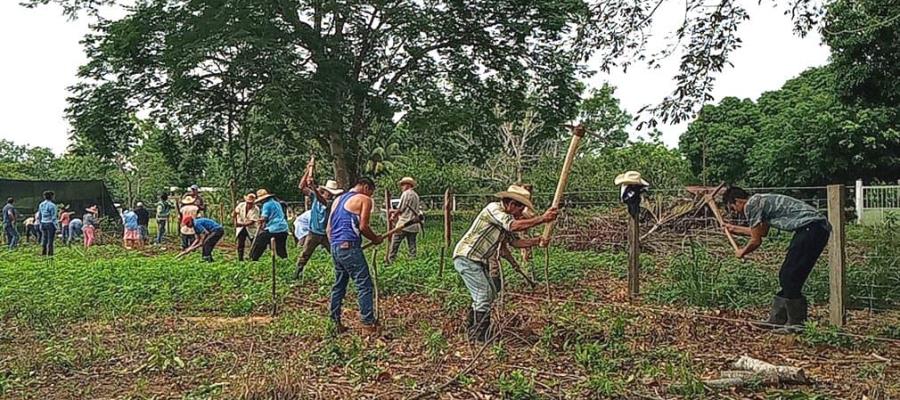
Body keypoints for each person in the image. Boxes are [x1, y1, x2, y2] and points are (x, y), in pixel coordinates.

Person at [453, 185, 558, 342]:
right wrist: (543, 219)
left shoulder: (506, 219)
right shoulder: (494, 209)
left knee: (490, 293)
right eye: (521, 208)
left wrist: (537, 241)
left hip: (477, 260)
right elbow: (512, 226)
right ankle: (479, 336)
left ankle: (472, 328)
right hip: (467, 257)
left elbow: (515, 243)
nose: (521, 213)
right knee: (483, 294)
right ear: (511, 204)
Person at [723, 187, 831, 331]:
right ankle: (778, 320)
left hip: (811, 229)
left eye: (733, 208)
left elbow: (756, 240)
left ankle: (796, 324)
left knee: (789, 275)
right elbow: (762, 232)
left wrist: (742, 252)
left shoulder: (751, 205)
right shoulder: (760, 201)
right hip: (814, 229)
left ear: (737, 201)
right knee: (790, 275)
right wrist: (734, 229)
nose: (736, 212)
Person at [326, 177, 384, 334]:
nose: (371, 196)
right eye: (371, 192)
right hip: (350, 246)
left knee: (339, 285)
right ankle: (368, 324)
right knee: (364, 285)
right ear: (366, 187)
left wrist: (337, 244)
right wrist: (375, 238)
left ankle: (334, 322)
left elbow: (329, 229)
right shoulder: (364, 199)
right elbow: (363, 226)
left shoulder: (337, 200)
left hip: (336, 247)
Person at [293, 177, 344, 280]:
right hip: (313, 232)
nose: (329, 195)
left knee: (335, 254)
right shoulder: (315, 197)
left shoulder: (331, 203)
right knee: (305, 254)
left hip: (326, 234)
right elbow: (302, 187)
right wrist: (308, 170)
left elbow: (322, 201)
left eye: (331, 194)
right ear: (324, 191)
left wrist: (313, 187)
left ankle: (342, 274)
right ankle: (296, 274)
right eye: (327, 192)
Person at [387, 177, 421, 264]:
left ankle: (390, 260)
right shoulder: (416, 195)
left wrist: (393, 213)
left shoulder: (406, 194)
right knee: (412, 245)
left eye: (403, 184)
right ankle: (413, 261)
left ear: (408, 185)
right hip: (414, 225)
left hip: (404, 223)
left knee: (395, 243)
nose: (402, 187)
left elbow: (401, 209)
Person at [249, 189, 290, 261]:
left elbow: (264, 217)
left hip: (274, 228)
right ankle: (284, 261)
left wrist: (259, 221)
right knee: (280, 248)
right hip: (283, 228)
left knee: (260, 240)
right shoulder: (277, 203)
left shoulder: (266, 204)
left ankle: (254, 259)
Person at [233, 193, 260, 262]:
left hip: (251, 228)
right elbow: (235, 213)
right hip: (241, 228)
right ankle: (240, 259)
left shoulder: (256, 209)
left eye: (251, 203)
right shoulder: (241, 205)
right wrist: (235, 221)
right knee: (240, 244)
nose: (249, 204)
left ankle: (253, 258)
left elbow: (252, 222)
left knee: (253, 243)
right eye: (248, 202)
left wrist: (241, 224)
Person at [38, 191, 58, 257]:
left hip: (43, 223)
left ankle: (43, 253)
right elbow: (54, 217)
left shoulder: (41, 204)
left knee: (44, 239)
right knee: (50, 240)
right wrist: (56, 226)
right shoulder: (52, 205)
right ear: (52, 197)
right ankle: (50, 254)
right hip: (50, 223)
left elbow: (40, 215)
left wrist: (40, 223)